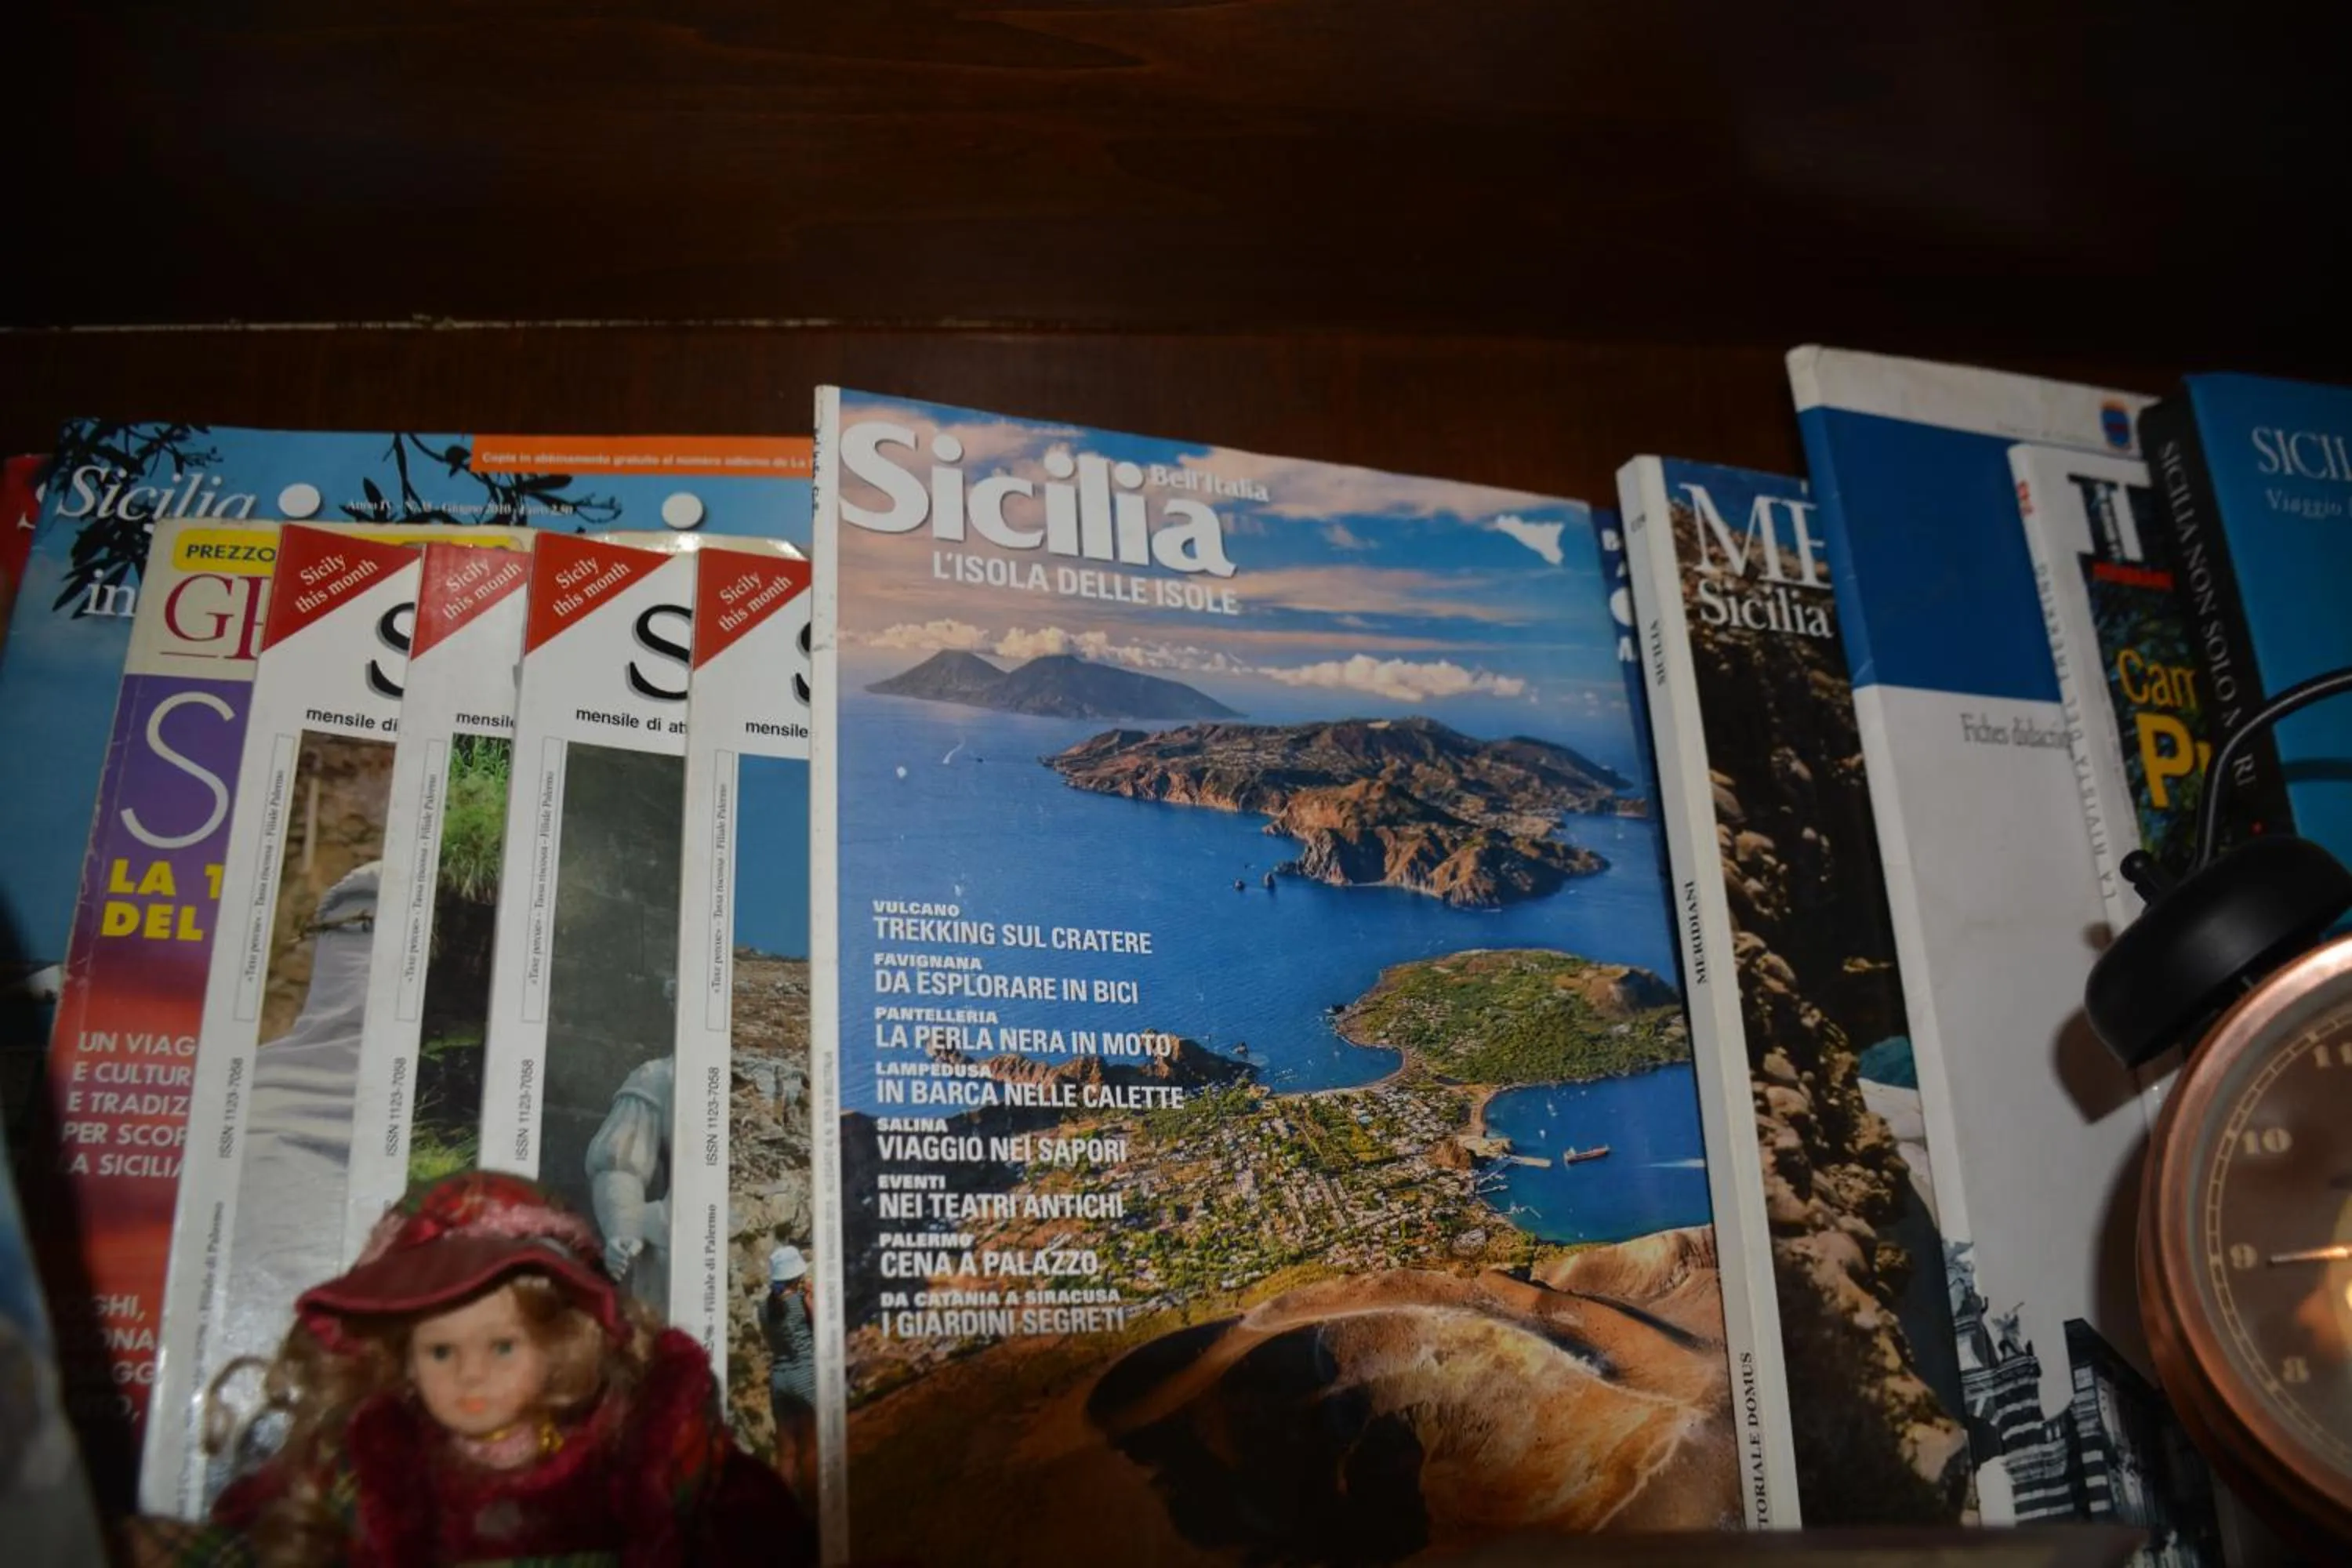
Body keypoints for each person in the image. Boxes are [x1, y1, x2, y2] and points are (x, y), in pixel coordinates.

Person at [140, 1170, 808, 1566]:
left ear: (563, 1347)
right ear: (398, 1358)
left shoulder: (640, 1453)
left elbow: (755, 1536)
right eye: (439, 1351)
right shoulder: (374, 1466)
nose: (469, 1376)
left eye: (502, 1347)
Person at [759, 1244, 817, 1508]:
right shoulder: (800, 1302)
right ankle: (812, 1509)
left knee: (787, 1454)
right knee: (810, 1450)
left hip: (779, 1380)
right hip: (805, 1376)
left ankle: (780, 1512)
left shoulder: (765, 1308)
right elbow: (821, 1330)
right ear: (798, 1276)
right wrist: (811, 1300)